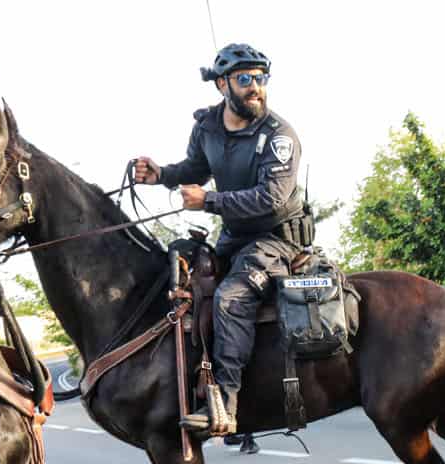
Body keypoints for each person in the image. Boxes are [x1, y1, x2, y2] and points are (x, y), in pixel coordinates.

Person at [133, 43, 314, 436]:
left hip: (277, 240)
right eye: (245, 79)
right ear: (221, 85)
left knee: (231, 298)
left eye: (261, 78)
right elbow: (195, 168)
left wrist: (209, 200)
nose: (256, 87)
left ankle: (226, 406)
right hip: (234, 238)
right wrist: (160, 174)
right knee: (182, 289)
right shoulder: (207, 127)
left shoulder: (279, 136)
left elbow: (272, 198)